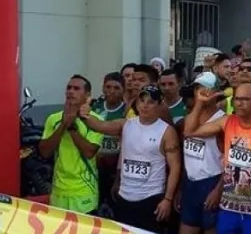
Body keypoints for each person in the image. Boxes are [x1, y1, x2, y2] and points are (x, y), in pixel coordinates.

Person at [184, 83, 251, 234]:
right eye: (237, 99)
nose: (239, 103)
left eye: (245, 99)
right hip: (228, 207)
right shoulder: (227, 122)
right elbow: (190, 132)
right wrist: (199, 103)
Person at [113, 85, 181, 232]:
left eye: (150, 102)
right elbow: (101, 126)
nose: (145, 105)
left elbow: (175, 168)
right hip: (125, 196)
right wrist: (82, 114)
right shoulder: (127, 124)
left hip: (151, 198)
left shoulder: (167, 131)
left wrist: (167, 199)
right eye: (142, 100)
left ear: (159, 105)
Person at [40, 75, 104, 214]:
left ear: (87, 95)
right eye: (68, 88)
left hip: (84, 192)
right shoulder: (53, 119)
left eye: (76, 88)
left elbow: (89, 152)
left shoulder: (95, 120)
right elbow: (45, 152)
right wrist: (63, 124)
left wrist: (71, 126)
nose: (70, 91)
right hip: (58, 192)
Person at [179, 72, 225, 234]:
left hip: (211, 182)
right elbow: (187, 136)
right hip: (191, 182)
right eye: (198, 88)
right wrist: (181, 188)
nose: (201, 92)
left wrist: (218, 190)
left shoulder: (222, 121)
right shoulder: (189, 118)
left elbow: (230, 161)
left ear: (216, 92)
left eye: (206, 88)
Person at [92, 72, 128, 215]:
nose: (111, 91)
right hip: (94, 168)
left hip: (116, 169)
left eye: (116, 87)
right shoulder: (94, 107)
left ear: (123, 90)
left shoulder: (127, 111)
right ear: (103, 88)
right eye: (108, 86)